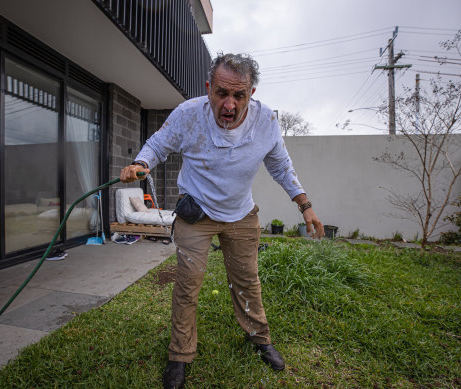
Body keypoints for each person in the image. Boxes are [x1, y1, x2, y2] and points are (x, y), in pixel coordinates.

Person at [120, 53, 324, 389]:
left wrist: (305, 205)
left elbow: (281, 167)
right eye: (221, 93)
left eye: (238, 96)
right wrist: (141, 162)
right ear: (208, 88)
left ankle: (260, 339)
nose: (228, 104)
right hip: (196, 214)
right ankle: (180, 355)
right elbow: (158, 145)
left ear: (251, 93)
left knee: (247, 282)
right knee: (188, 285)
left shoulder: (266, 121)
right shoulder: (188, 114)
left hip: (241, 214)